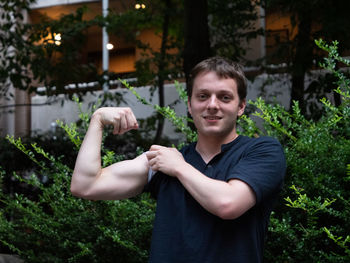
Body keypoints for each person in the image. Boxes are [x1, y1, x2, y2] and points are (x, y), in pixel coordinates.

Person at [70, 57, 286, 263]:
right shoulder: (162, 162)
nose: (212, 105)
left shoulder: (262, 151)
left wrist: (179, 167)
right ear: (190, 106)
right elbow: (85, 185)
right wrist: (97, 121)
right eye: (202, 96)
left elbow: (228, 204)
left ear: (241, 107)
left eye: (224, 97)